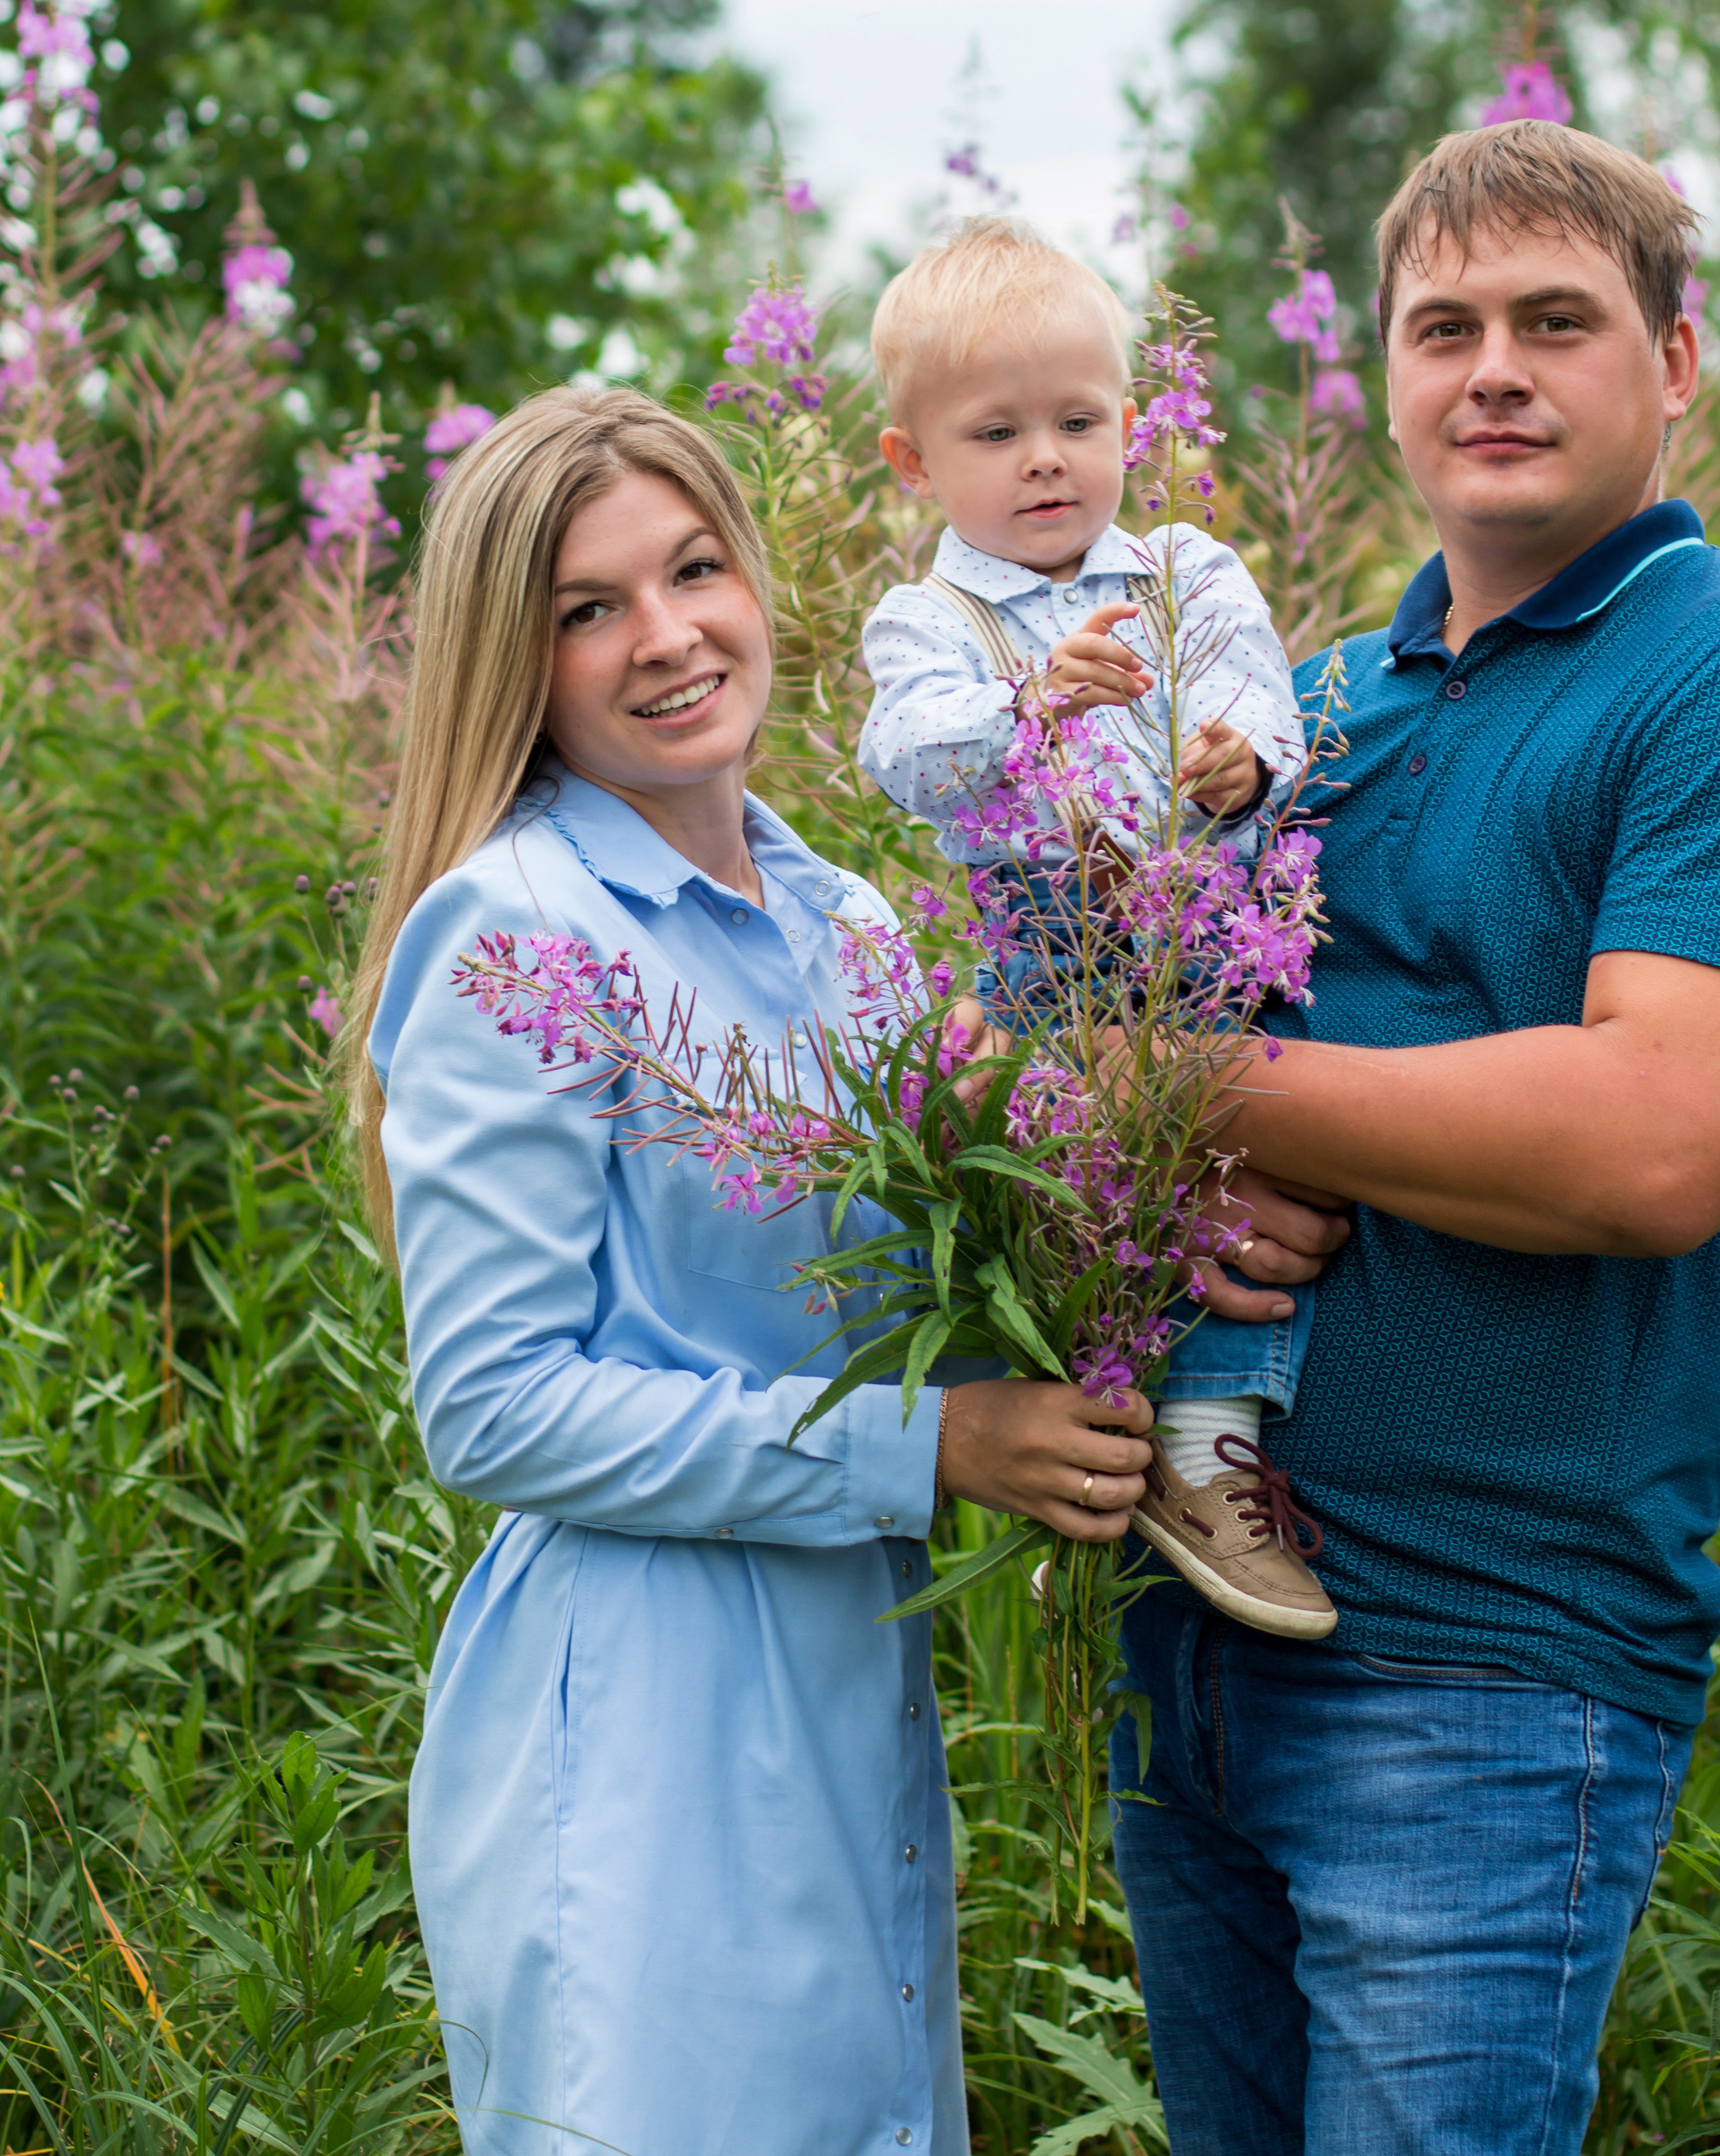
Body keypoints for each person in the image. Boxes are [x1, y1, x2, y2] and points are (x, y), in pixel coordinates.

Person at [1109, 123, 1720, 2156]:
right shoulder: (1307, 709)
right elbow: (1160, 1082)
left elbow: (1649, 1143)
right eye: (1443, 326)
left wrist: (1187, 1096)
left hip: (1481, 1674)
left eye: (1556, 323)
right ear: (1383, 371)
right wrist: (1176, 1182)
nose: (1494, 370)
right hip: (1189, 1654)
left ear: (1677, 359)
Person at [341, 386, 1159, 2156]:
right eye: (586, 609)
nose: (666, 637)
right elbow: (490, 1409)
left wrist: (1177, 1205)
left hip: (840, 1681)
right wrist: (934, 1449)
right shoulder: (517, 929)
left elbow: (921, 1286)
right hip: (635, 1719)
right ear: (518, 661)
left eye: (693, 569)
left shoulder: (842, 927)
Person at [859, 217, 1334, 1638]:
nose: (1046, 458)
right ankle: (1095, 1433)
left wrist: (1244, 769)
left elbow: (1270, 716)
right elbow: (907, 760)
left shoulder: (1189, 571)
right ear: (915, 463)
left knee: (1243, 1176)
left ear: (1131, 423)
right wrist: (1029, 703)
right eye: (996, 432)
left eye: (1078, 420)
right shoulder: (927, 620)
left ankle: (1211, 1452)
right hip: (1051, 963)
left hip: (1208, 939)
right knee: (1088, 1204)